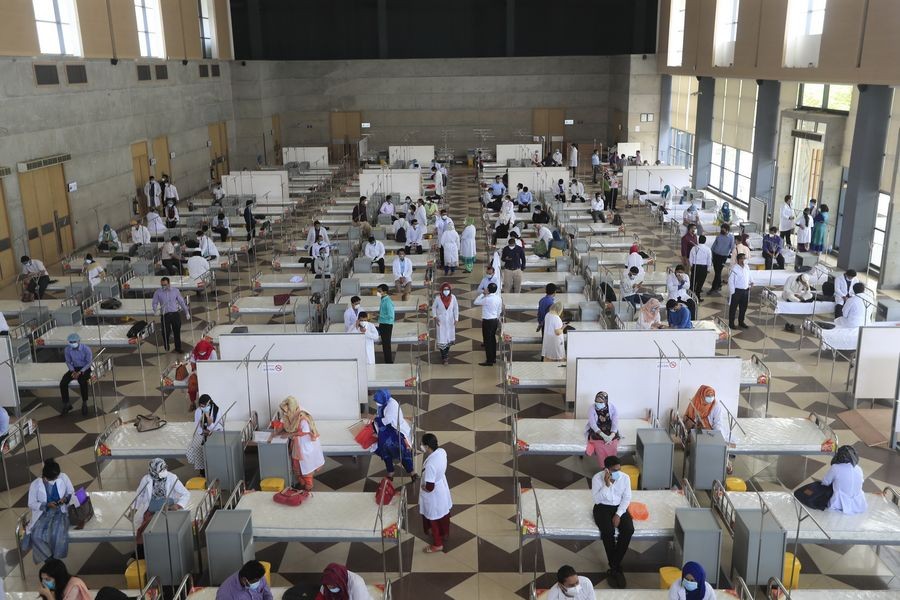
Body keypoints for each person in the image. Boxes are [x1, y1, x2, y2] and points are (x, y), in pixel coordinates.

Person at [591, 455, 633, 588]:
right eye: (614, 470)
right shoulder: (597, 478)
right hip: (601, 508)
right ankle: (616, 567)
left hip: (619, 506)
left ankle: (613, 565)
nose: (617, 473)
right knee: (608, 531)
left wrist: (618, 514)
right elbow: (597, 500)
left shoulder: (625, 478)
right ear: (607, 470)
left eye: (619, 469)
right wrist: (607, 485)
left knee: (628, 530)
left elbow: (627, 498)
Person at [133, 458, 190, 550]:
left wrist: (178, 505)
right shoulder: (146, 479)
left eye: (164, 469)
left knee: (151, 526)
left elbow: (186, 493)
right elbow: (139, 495)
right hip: (151, 509)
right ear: (153, 471)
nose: (164, 471)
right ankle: (144, 551)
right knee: (147, 527)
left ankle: (144, 551)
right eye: (161, 470)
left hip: (167, 508)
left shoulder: (172, 478)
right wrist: (134, 508)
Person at [26, 459, 74, 563]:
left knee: (57, 534)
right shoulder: (35, 484)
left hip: (60, 513)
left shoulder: (63, 477)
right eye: (52, 479)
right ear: (44, 477)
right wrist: (46, 505)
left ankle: (54, 560)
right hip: (44, 513)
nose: (55, 479)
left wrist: (65, 499)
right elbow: (31, 503)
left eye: (56, 477)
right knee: (36, 535)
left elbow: (71, 492)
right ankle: (51, 561)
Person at [278, 396, 324, 490]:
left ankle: (308, 486)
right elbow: (287, 422)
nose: (286, 413)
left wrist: (289, 434)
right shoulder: (294, 413)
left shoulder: (302, 417)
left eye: (288, 411)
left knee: (305, 466)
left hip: (305, 444)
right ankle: (302, 482)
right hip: (298, 444)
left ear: (292, 408)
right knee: (296, 464)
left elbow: (304, 431)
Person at [419, 432, 452, 553]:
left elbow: (430, 486)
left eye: (422, 444)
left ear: (427, 447)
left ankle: (438, 544)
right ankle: (445, 533)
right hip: (442, 486)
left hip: (434, 493)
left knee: (433, 517)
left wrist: (423, 487)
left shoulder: (430, 465)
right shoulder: (442, 452)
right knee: (443, 513)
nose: (421, 446)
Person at [373, 389, 416, 480]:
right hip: (387, 429)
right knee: (383, 447)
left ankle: (412, 472)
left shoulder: (392, 405)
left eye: (378, 402)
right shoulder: (384, 402)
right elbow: (380, 414)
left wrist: (376, 420)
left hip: (396, 429)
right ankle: (390, 472)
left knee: (401, 450)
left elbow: (385, 420)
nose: (377, 404)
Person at [820, 445, 867, 514]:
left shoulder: (835, 468)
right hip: (858, 504)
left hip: (839, 504)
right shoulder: (859, 469)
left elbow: (825, 482)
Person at [152, 277, 191, 353]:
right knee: (165, 331)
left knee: (177, 331)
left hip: (175, 314)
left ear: (169, 284)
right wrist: (155, 309)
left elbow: (181, 302)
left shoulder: (175, 291)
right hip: (165, 315)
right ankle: (166, 343)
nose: (164, 286)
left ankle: (178, 348)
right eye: (162, 285)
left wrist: (187, 312)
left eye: (165, 285)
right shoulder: (158, 292)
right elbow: (155, 302)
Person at [187, 394, 224, 472]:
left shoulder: (217, 410)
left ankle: (214, 468)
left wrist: (209, 420)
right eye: (201, 406)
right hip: (204, 433)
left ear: (210, 404)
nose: (203, 408)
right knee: (197, 447)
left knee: (213, 448)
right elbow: (197, 427)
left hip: (215, 433)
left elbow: (218, 427)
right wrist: (204, 431)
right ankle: (202, 470)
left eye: (205, 406)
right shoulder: (198, 411)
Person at [60, 333, 92, 416]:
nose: (72, 343)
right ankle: (66, 403)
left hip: (85, 368)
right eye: (70, 342)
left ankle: (84, 403)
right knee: (63, 382)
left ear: (79, 341)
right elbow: (68, 362)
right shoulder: (67, 349)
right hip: (74, 368)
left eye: (74, 341)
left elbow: (89, 363)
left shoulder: (86, 349)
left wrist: (80, 372)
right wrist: (73, 371)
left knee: (82, 381)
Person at [474, 282, 502, 366]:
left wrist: (482, 294)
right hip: (494, 320)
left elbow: (476, 302)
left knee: (487, 340)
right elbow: (499, 310)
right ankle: (493, 358)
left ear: (488, 290)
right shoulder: (498, 298)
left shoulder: (487, 299)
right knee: (492, 339)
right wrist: (496, 318)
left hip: (487, 321)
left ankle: (489, 360)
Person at [433, 283, 459, 365]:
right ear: (441, 290)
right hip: (441, 321)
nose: (446, 291)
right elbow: (433, 307)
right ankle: (444, 357)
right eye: (444, 289)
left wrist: (456, 318)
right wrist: (435, 317)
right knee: (442, 339)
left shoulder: (453, 297)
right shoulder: (438, 298)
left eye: (448, 289)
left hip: (450, 321)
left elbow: (456, 308)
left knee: (449, 339)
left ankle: (446, 353)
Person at [727, 253, 751, 329]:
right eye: (742, 258)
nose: (743, 260)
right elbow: (730, 281)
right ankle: (731, 323)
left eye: (744, 258)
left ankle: (741, 322)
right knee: (733, 308)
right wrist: (733, 292)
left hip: (745, 290)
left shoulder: (747, 267)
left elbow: (749, 275)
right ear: (738, 260)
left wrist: (751, 281)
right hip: (737, 291)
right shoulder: (734, 269)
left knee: (743, 307)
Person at [708, 225, 734, 295]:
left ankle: (713, 288)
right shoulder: (719, 236)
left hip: (723, 257)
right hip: (715, 255)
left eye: (723, 229)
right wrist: (711, 254)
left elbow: (732, 247)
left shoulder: (731, 237)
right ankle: (719, 285)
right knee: (717, 271)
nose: (722, 230)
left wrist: (734, 256)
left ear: (727, 230)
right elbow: (714, 245)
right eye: (721, 229)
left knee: (718, 272)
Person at [689, 236, 712, 302]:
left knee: (693, 282)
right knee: (700, 283)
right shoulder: (708, 249)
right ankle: (697, 297)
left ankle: (691, 296)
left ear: (698, 240)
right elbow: (709, 260)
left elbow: (691, 258)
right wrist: (708, 268)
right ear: (705, 241)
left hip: (695, 266)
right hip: (703, 268)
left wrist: (692, 266)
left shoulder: (694, 248)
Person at [376, 284, 394, 364]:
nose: (378, 293)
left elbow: (391, 316)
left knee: (387, 344)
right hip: (382, 323)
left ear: (385, 292)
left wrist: (379, 315)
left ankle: (389, 361)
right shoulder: (383, 299)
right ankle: (387, 360)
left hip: (387, 325)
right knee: (384, 344)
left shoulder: (388, 302)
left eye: (379, 291)